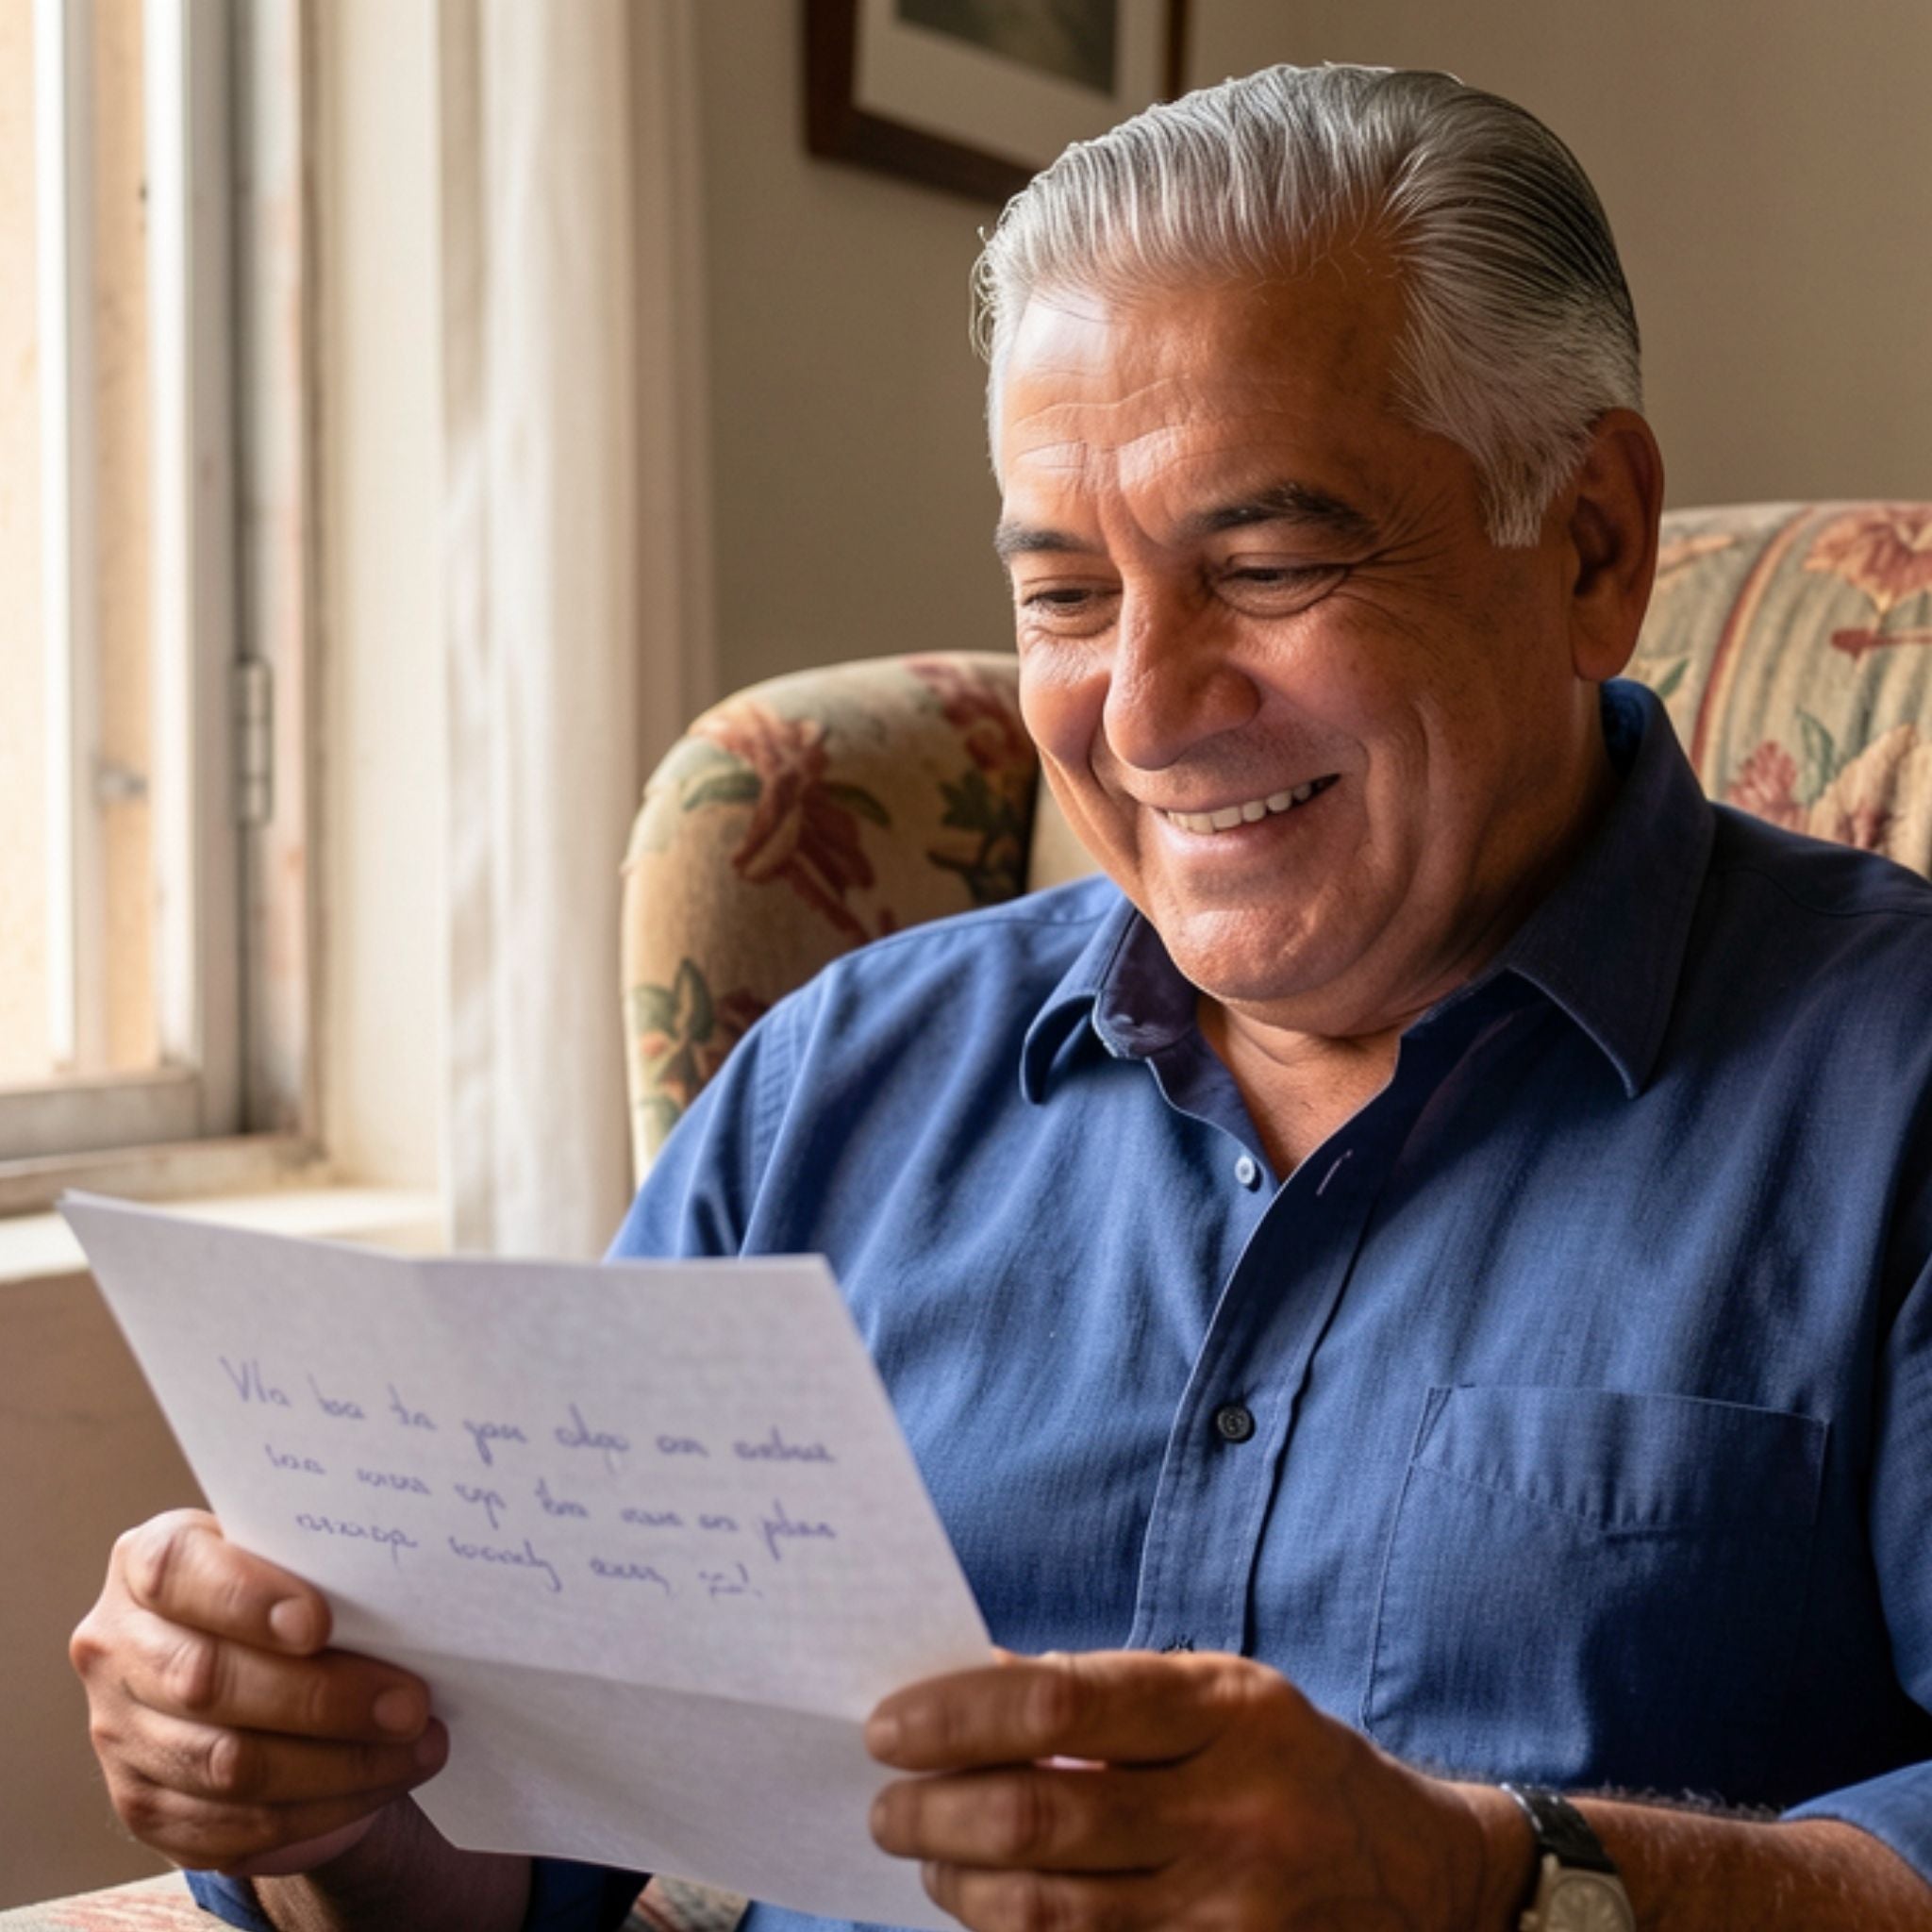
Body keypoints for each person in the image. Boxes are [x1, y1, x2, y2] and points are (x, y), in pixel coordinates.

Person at [71, 63, 1932, 1932]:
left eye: (1268, 566)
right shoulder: (834, 1088)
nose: (1138, 712)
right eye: (1063, 598)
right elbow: (532, 1856)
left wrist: (1484, 1886)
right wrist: (305, 1778)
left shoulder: (1890, 1082)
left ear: (1591, 542)